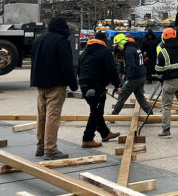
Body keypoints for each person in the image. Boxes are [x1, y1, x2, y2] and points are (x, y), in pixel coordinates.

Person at [30, 17, 78, 160]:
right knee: (53, 116)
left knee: (42, 116)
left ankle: (40, 147)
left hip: (40, 83)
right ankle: (50, 150)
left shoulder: (38, 39)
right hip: (56, 84)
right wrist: (73, 84)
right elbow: (67, 66)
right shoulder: (61, 41)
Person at [77, 32, 122, 148]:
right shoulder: (105, 52)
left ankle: (105, 133)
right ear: (104, 41)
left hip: (84, 85)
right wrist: (117, 85)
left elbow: (78, 69)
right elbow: (111, 70)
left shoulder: (85, 52)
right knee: (96, 112)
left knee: (96, 110)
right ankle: (87, 138)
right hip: (95, 86)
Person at [111, 33, 153, 115]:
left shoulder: (128, 50)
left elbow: (131, 66)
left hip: (134, 78)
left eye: (117, 45)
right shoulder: (135, 47)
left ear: (121, 42)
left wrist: (127, 80)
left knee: (122, 95)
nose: (117, 48)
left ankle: (114, 115)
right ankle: (150, 114)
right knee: (141, 98)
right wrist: (125, 74)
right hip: (141, 76)